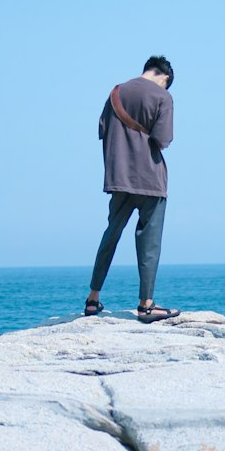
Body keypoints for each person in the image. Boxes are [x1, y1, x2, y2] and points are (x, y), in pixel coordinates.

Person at [84, 55, 181, 323]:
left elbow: (102, 130)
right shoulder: (163, 97)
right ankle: (146, 305)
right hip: (150, 178)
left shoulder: (116, 92)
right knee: (149, 242)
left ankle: (93, 299)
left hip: (119, 177)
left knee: (111, 234)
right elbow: (163, 139)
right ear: (165, 77)